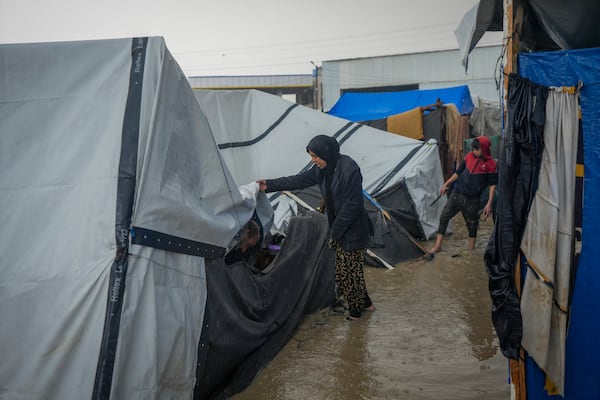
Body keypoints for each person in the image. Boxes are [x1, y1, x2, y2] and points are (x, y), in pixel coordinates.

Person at [257, 135, 375, 320]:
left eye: (315, 156)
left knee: (348, 273)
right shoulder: (322, 170)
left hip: (354, 230)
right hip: (338, 228)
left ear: (326, 153)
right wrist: (269, 185)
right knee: (347, 270)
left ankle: (356, 317)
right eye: (311, 156)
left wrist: (334, 234)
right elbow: (297, 180)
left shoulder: (349, 169)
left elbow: (353, 206)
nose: (313, 160)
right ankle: (367, 304)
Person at [429, 136, 497, 254]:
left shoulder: (491, 164)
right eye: (474, 149)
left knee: (472, 224)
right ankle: (438, 245)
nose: (475, 152)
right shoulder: (469, 156)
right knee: (444, 216)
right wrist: (446, 184)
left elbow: (492, 185)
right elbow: (458, 173)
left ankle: (470, 250)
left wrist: (489, 204)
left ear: (485, 149)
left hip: (472, 199)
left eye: (477, 149)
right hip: (457, 193)